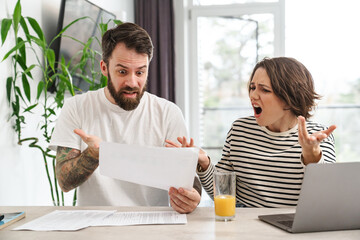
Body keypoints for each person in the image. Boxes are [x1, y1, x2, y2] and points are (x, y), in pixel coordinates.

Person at [49, 22, 201, 213]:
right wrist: (93, 155)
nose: (132, 82)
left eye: (140, 72)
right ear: (104, 68)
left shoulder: (168, 113)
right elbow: (65, 182)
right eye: (122, 72)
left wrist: (192, 197)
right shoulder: (76, 108)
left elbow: (189, 181)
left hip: (152, 223)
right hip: (96, 224)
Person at [166, 57, 336, 208]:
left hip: (294, 226)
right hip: (245, 226)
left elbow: (326, 197)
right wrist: (203, 164)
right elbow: (223, 193)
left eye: (264, 90)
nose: (253, 95)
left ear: (289, 97)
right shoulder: (240, 130)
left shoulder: (317, 137)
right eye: (252, 87)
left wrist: (311, 155)